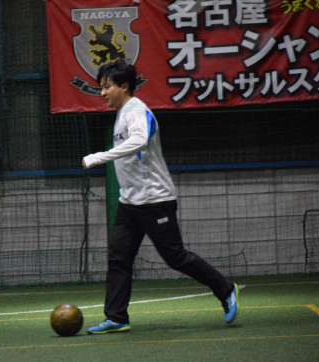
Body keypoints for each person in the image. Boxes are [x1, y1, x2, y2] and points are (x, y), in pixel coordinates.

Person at [82, 59, 238, 334]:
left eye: (107, 87)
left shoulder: (136, 111)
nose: (102, 93)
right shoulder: (122, 113)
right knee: (118, 259)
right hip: (129, 203)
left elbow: (140, 140)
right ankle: (117, 317)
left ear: (124, 86)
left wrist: (99, 157)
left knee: (175, 257)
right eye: (101, 87)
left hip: (155, 201)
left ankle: (225, 290)